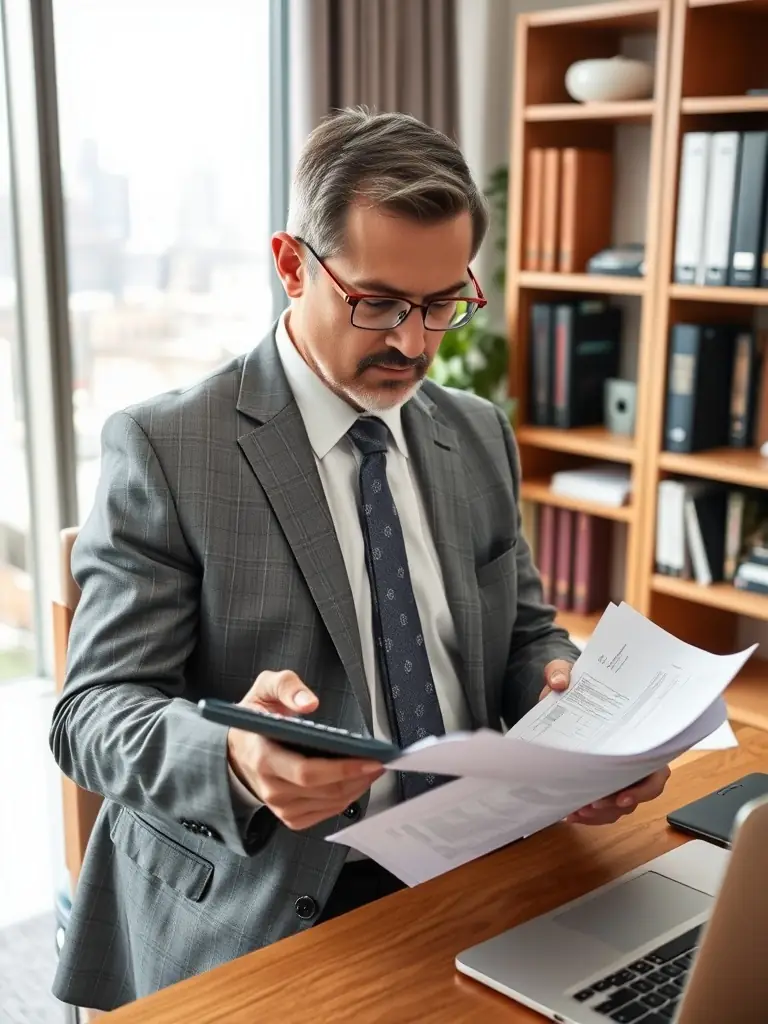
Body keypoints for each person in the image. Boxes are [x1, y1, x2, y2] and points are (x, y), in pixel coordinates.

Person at [49, 107, 669, 1012]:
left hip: (479, 852)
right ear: (292, 264)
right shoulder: (168, 447)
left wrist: (572, 707)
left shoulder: (475, 432)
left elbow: (523, 633)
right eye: (376, 302)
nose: (414, 342)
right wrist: (235, 758)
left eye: (444, 304)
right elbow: (89, 715)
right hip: (269, 896)